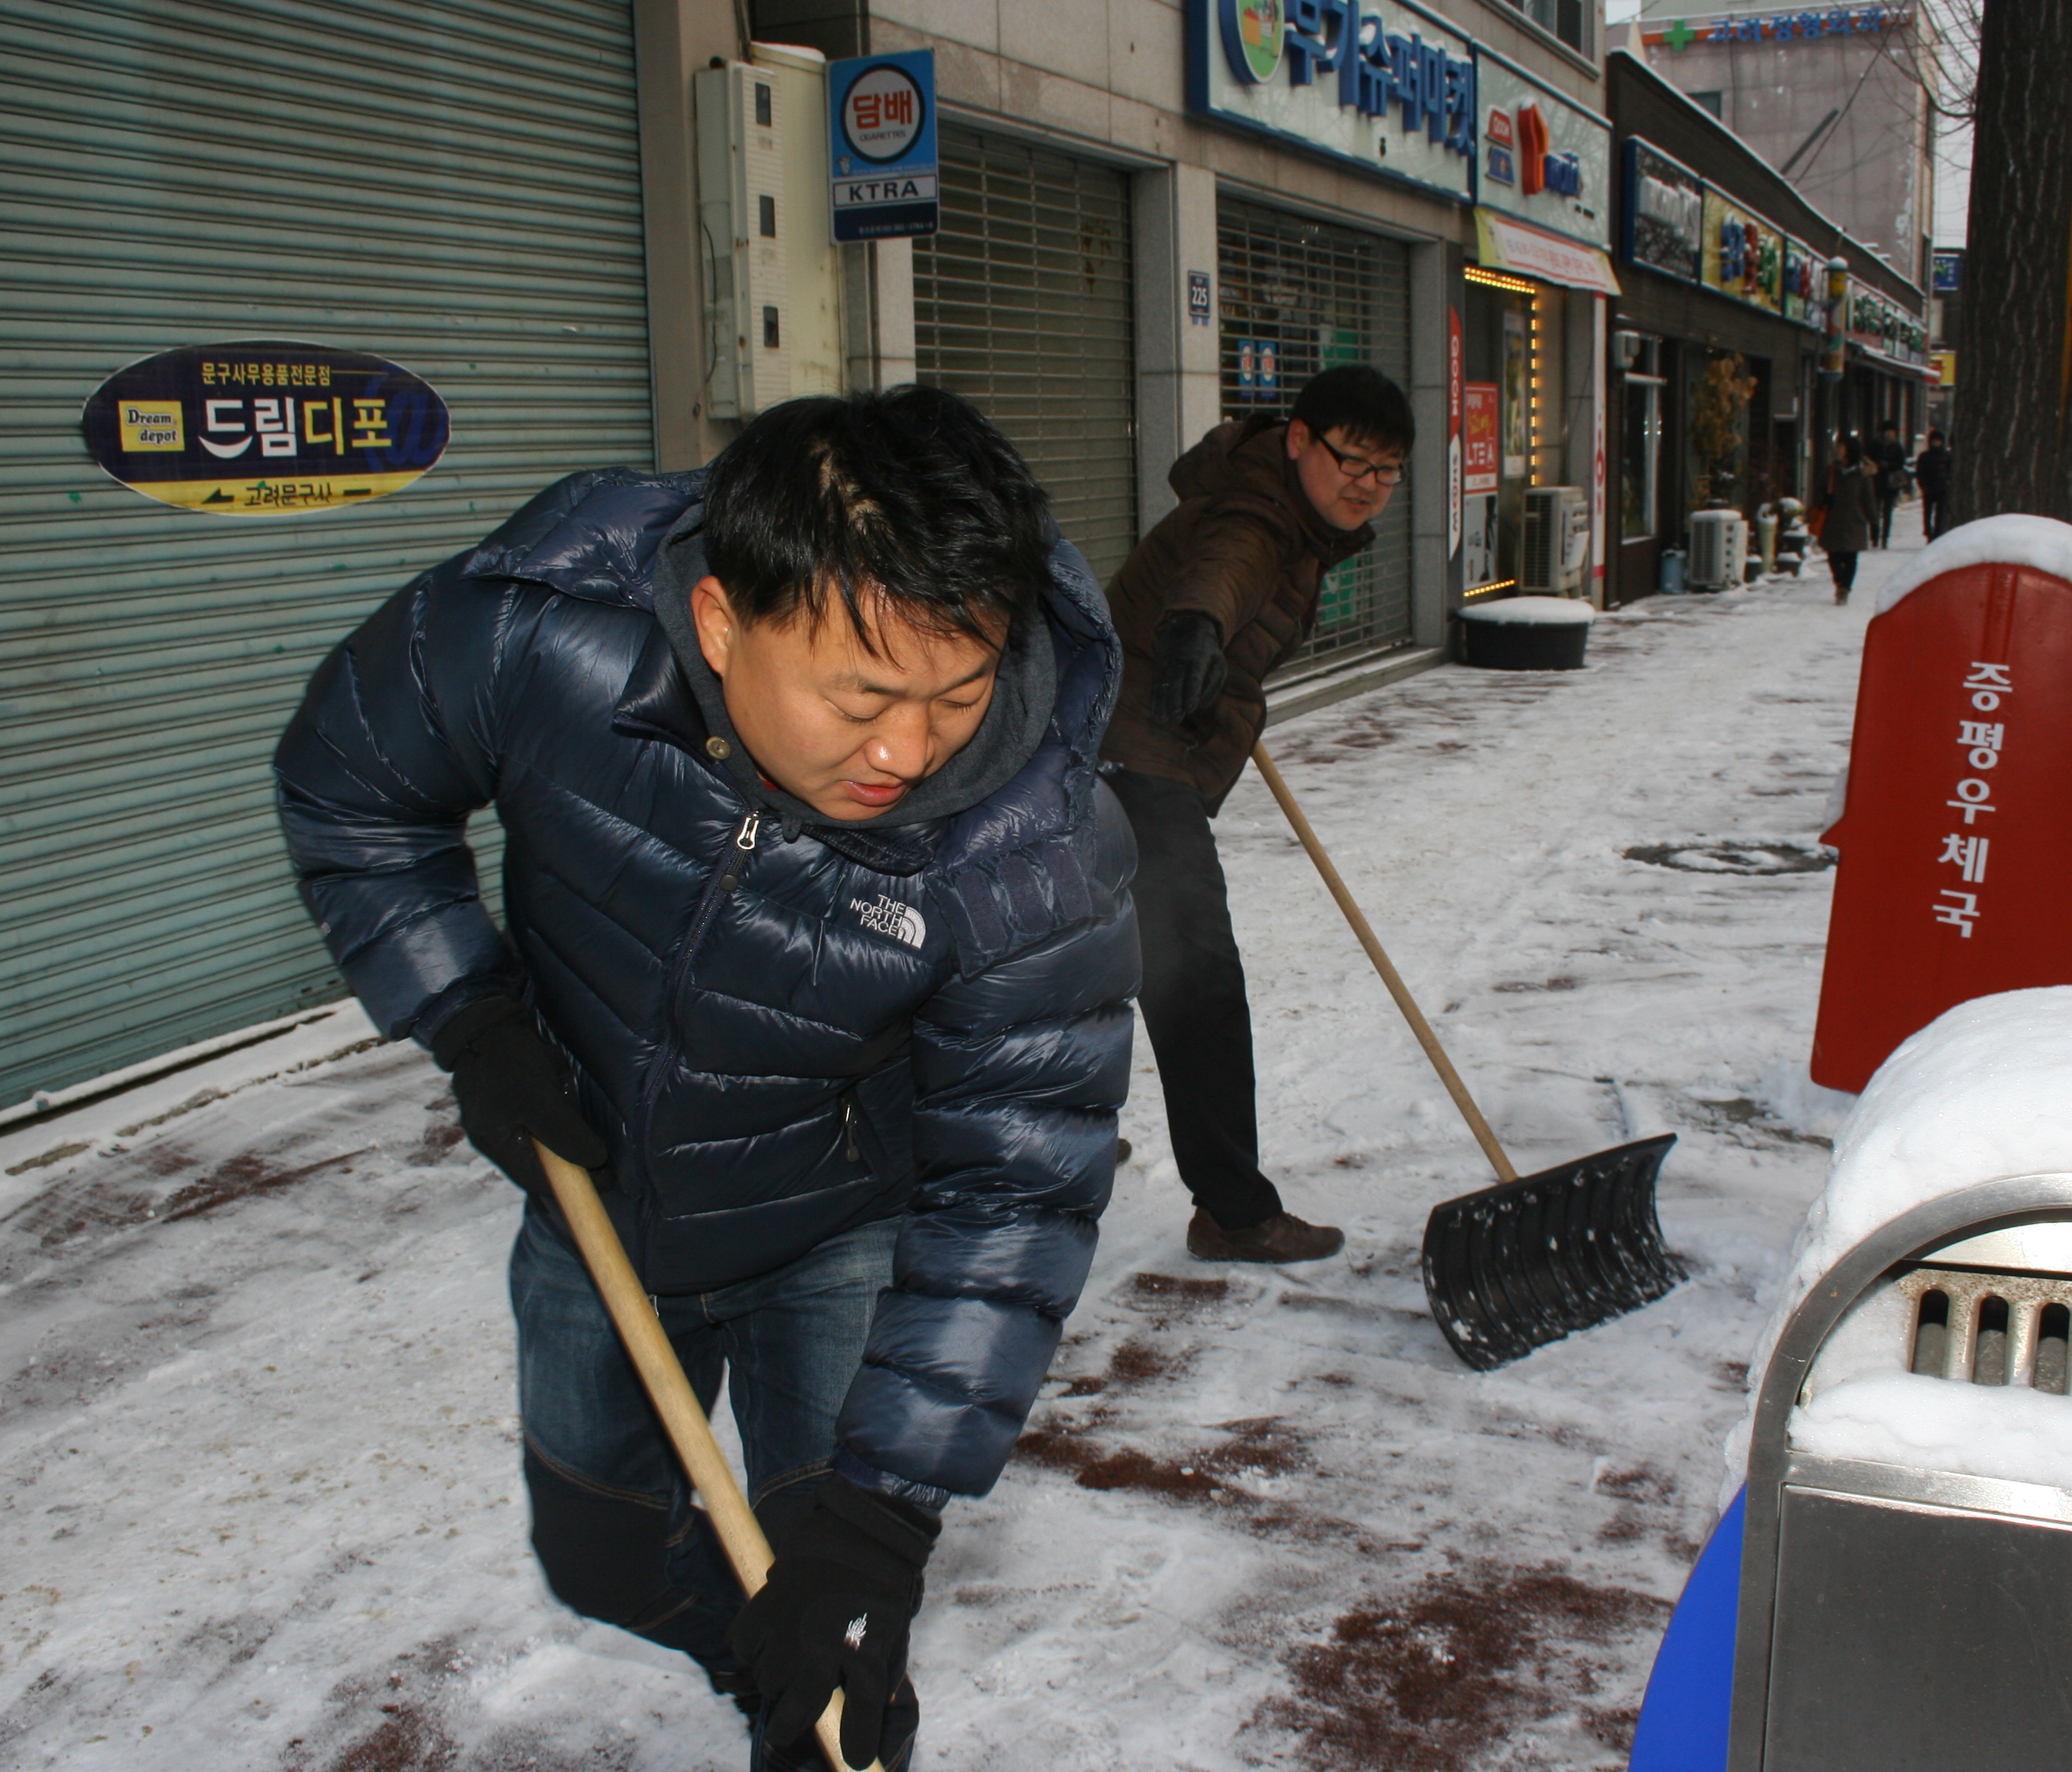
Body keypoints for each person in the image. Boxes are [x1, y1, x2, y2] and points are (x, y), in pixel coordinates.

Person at [273, 387, 1139, 1772]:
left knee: (844, 1644)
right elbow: (351, 781)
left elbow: (1019, 1187)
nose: (910, 751)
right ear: (724, 621)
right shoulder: (541, 633)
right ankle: (755, 1652)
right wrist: (473, 1015)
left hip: (844, 1217)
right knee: (602, 1549)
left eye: (956, 691)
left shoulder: (1024, 838)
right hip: (592, 1186)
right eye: (861, 698)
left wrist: (880, 1527)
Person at [1098, 364, 1411, 1265]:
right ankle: (1233, 1211)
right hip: (1132, 759)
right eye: (1353, 460)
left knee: (1082, 957)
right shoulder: (1263, 508)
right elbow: (1225, 565)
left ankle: (1046, 1125)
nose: (1367, 486)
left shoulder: (1291, 511)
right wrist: (1198, 626)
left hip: (1127, 751)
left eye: (1387, 472)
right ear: (1300, 440)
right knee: (1196, 981)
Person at [1818, 433, 1880, 605]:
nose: (1837, 450)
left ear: (1849, 451)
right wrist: (1824, 499)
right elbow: (1820, 491)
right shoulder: (1831, 472)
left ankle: (1845, 588)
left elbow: (1868, 500)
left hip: (1855, 521)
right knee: (1833, 555)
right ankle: (1840, 582)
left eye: (1841, 446)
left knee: (1850, 557)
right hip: (1833, 519)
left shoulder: (1861, 476)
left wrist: (1874, 521)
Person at [1866, 421, 1910, 547]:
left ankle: (1885, 537)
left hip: (1891, 483)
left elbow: (1900, 463)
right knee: (1875, 511)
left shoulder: (1897, 446)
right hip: (1877, 480)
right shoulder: (1875, 445)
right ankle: (1875, 537)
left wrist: (1888, 465)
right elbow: (1868, 459)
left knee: (1887, 511)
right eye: (1889, 431)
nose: (1891, 434)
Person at [1914, 427, 1953, 541]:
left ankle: (1937, 532)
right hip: (1929, 488)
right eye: (1934, 440)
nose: (1936, 443)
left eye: (1938, 440)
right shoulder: (1925, 456)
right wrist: (1923, 486)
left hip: (1942, 489)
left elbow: (1951, 472)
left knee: (1940, 514)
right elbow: (1920, 472)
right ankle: (1928, 532)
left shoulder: (1947, 456)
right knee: (1927, 513)